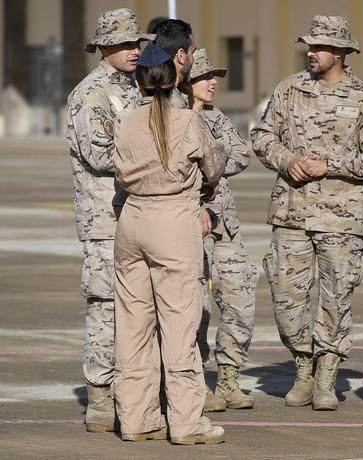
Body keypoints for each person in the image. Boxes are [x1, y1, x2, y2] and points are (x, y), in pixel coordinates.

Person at [251, 15, 363, 411]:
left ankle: (325, 375)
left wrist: (330, 164)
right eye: (309, 46)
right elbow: (262, 136)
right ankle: (302, 366)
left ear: (342, 52)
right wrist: (286, 160)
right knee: (287, 299)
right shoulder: (288, 89)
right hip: (290, 214)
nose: (312, 52)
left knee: (336, 298)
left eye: (321, 47)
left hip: (341, 218)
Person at [112, 42, 226, 444]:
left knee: (133, 326)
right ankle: (186, 421)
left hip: (132, 220)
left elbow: (119, 173)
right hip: (173, 219)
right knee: (179, 322)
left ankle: (137, 418)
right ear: (175, 77)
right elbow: (214, 164)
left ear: (139, 81)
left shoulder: (126, 121)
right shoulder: (187, 122)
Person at [65, 7, 153, 433]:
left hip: (140, 215)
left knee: (140, 308)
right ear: (103, 47)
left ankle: (134, 392)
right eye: (123, 44)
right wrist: (153, 157)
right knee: (105, 308)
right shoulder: (92, 94)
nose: (133, 50)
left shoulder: (139, 90)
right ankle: (100, 397)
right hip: (105, 219)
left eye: (136, 43)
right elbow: (101, 155)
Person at [151, 19, 227, 412]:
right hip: (176, 221)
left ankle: (146, 408)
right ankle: (185, 412)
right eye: (194, 55)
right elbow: (213, 163)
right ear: (180, 56)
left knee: (148, 319)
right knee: (182, 313)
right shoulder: (177, 110)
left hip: (142, 220)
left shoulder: (144, 101)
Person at [182, 48, 258, 409]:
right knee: (194, 308)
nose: (213, 82)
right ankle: (195, 383)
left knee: (241, 300)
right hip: (188, 227)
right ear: (185, 80)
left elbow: (242, 154)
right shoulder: (173, 117)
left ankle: (228, 378)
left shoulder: (214, 116)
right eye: (205, 76)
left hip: (224, 225)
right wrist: (208, 159)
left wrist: (207, 158)